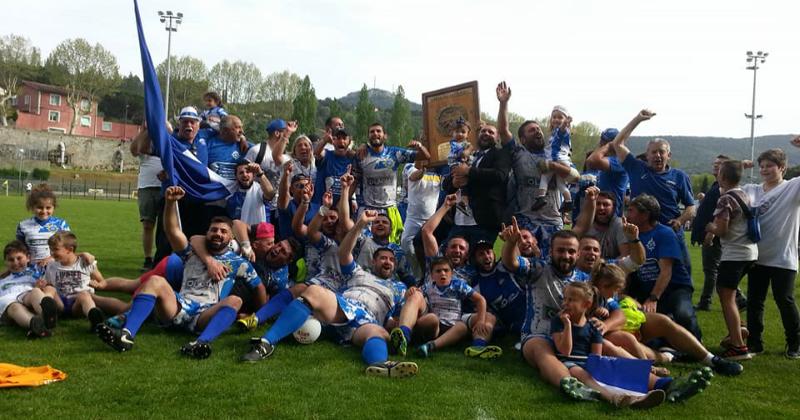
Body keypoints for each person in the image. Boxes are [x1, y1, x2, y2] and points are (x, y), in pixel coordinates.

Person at [240, 210, 417, 379]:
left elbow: (400, 316)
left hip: (368, 322)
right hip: (343, 308)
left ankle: (380, 365)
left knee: (378, 333)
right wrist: (361, 223)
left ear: (395, 265)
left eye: (391, 260)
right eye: (383, 258)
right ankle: (265, 343)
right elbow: (343, 253)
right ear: (373, 262)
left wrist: (397, 326)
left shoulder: (400, 288)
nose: (387, 262)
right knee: (313, 290)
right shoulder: (359, 272)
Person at [97, 186, 263, 359]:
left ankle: (201, 342)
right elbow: (173, 231)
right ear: (206, 233)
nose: (218, 234)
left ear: (231, 238)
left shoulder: (239, 263)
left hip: (205, 314)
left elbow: (258, 287)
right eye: (213, 230)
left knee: (235, 300)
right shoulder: (191, 252)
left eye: (223, 231)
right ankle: (126, 335)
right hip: (178, 307)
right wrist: (170, 203)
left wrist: (259, 315)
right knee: (155, 280)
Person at [591, 262, 744, 376]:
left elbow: (618, 310)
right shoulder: (586, 283)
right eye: (586, 248)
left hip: (623, 322)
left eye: (595, 249)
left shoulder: (606, 273)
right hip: (611, 333)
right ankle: (668, 357)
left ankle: (711, 359)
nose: (591, 253)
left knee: (663, 321)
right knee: (636, 347)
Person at [551, 282, 667, 409]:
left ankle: (651, 389)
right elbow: (565, 351)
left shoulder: (593, 326)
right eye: (565, 299)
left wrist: (603, 367)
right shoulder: (559, 321)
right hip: (569, 363)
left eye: (571, 300)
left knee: (614, 367)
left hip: (588, 362)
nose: (565, 303)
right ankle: (615, 398)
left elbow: (596, 356)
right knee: (582, 374)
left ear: (586, 304)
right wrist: (567, 325)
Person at [496, 81, 577, 259]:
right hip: (526, 219)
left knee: (550, 265)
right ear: (523, 139)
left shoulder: (554, 154)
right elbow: (503, 131)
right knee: (522, 265)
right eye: (532, 130)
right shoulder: (519, 153)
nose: (538, 131)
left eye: (539, 129)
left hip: (553, 221)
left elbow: (574, 177)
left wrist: (553, 166)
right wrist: (503, 103)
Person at [611, 110, 695, 273]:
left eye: (661, 152)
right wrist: (637, 119)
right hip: (641, 233)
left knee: (681, 273)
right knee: (642, 273)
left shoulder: (679, 176)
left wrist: (680, 220)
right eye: (653, 152)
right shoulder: (636, 168)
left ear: (668, 155)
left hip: (671, 232)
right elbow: (617, 144)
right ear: (647, 155)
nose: (658, 155)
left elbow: (691, 207)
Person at [741, 140, 800, 358]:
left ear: (782, 168)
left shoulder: (792, 187)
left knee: (784, 300)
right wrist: (739, 167)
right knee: (755, 302)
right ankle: (755, 343)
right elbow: (725, 187)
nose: (764, 170)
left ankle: (795, 343)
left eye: (770, 166)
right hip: (757, 256)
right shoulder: (752, 190)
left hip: (783, 257)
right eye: (762, 166)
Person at [389, 256, 499, 359]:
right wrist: (410, 292)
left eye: (446, 270)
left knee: (487, 317)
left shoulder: (458, 285)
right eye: (438, 271)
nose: (443, 273)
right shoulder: (428, 286)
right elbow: (413, 301)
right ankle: (403, 336)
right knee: (422, 305)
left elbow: (480, 300)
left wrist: (480, 321)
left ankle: (478, 346)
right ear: (432, 275)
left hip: (454, 325)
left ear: (452, 273)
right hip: (435, 325)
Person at [625, 195, 701, 339]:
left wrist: (653, 298)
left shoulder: (664, 233)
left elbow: (666, 271)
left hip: (674, 288)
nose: (627, 215)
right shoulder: (631, 234)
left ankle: (697, 341)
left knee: (683, 314)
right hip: (646, 289)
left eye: (631, 211)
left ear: (645, 215)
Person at [703, 160, 757, 360]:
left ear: (723, 177)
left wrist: (709, 227)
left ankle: (738, 346)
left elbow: (722, 230)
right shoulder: (744, 195)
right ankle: (738, 330)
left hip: (734, 254)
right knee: (728, 294)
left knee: (726, 297)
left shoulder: (725, 199)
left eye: (719, 173)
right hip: (750, 252)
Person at [353, 122, 430, 243]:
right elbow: (354, 179)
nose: (375, 134)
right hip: (368, 209)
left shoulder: (395, 153)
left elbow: (425, 156)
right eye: (372, 131)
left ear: (385, 136)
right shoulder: (361, 155)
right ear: (368, 136)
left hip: (390, 209)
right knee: (365, 245)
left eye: (378, 131)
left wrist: (419, 146)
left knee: (390, 246)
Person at [40, 232, 124, 333]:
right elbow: (48, 283)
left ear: (69, 249)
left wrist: (99, 285)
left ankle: (94, 319)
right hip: (60, 303)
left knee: (84, 294)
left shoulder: (85, 263)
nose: (52, 253)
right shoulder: (51, 265)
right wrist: (42, 285)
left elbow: (102, 281)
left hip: (78, 304)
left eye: (55, 249)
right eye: (50, 249)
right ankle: (48, 311)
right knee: (49, 288)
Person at [444, 121, 511, 245]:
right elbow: (447, 182)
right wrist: (453, 182)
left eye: (491, 132)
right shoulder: (468, 155)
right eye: (483, 131)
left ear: (497, 138)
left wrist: (469, 171)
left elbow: (499, 175)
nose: (486, 133)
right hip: (459, 220)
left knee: (479, 255)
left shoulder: (500, 154)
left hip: (484, 220)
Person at [245, 119, 298, 226]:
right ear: (277, 133)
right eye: (285, 132)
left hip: (278, 207)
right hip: (259, 204)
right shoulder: (257, 151)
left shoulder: (285, 156)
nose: (288, 138)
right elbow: (244, 174)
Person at [0, 240, 58, 338]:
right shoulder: (2, 278)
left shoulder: (36, 270)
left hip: (28, 295)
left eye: (19, 258)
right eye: (11, 260)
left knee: (35, 291)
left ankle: (47, 316)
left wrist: (82, 255)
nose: (15, 262)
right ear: (5, 262)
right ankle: (35, 324)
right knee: (15, 307)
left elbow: (62, 259)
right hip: (9, 302)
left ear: (28, 258)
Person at [532, 106, 580, 213]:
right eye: (554, 117)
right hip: (563, 160)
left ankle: (541, 197)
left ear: (565, 120)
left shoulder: (563, 130)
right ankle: (568, 202)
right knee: (560, 183)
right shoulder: (554, 132)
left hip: (557, 159)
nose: (556, 119)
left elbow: (562, 130)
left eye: (560, 117)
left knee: (545, 177)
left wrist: (565, 123)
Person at [400, 161, 443, 279]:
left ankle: (434, 274)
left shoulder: (440, 168)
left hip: (432, 218)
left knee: (434, 248)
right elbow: (414, 176)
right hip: (413, 218)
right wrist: (423, 170)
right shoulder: (410, 166)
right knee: (405, 243)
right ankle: (419, 276)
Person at [130, 126, 163, 271]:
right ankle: (148, 258)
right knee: (148, 225)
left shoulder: (166, 141)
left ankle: (162, 257)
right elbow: (134, 150)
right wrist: (146, 129)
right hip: (146, 187)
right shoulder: (144, 142)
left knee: (165, 227)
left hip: (164, 187)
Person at [16, 184, 70, 267]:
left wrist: (52, 258)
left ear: (54, 207)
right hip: (32, 269)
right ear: (32, 207)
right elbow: (20, 249)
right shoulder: (23, 226)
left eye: (48, 208)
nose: (44, 211)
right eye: (40, 207)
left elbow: (68, 248)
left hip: (56, 268)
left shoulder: (61, 224)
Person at [585, 128, 630, 218]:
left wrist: (609, 145)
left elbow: (591, 161)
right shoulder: (607, 161)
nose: (601, 144)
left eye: (604, 141)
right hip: (604, 211)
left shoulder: (618, 161)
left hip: (611, 214)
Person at [312, 128, 356, 206]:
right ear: (333, 141)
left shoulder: (353, 159)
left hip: (342, 205)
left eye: (344, 138)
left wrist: (353, 199)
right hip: (321, 204)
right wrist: (324, 141)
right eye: (338, 138)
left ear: (349, 141)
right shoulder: (327, 155)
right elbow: (317, 153)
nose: (341, 141)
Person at [206, 116, 252, 181]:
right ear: (225, 130)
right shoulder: (208, 145)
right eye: (237, 127)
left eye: (241, 127)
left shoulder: (246, 146)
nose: (242, 131)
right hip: (215, 186)